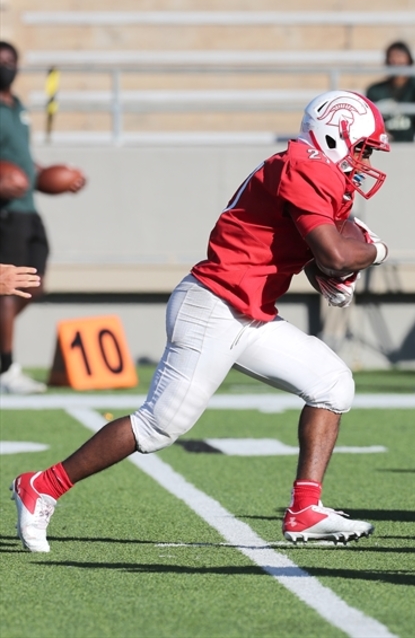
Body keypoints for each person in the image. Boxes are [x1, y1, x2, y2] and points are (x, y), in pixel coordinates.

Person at [11, 90, 391, 553]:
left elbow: (312, 256)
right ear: (334, 134)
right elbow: (333, 253)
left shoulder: (312, 170)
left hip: (248, 313)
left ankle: (305, 510)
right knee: (157, 426)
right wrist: (377, 252)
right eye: (363, 147)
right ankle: (42, 485)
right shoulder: (306, 167)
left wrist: (330, 276)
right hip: (214, 306)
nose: (365, 160)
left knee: (332, 384)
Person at [0, 40, 86, 395]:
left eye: (10, 60)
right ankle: (6, 369)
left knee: (34, 285)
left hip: (28, 210)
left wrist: (52, 176)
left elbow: (23, 161)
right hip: (5, 213)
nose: (6, 65)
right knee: (8, 286)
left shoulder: (18, 107)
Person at [366, 41, 415, 143]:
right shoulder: (375, 90)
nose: (395, 60)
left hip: (408, 144)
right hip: (383, 144)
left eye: (400, 56)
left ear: (409, 60)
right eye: (392, 57)